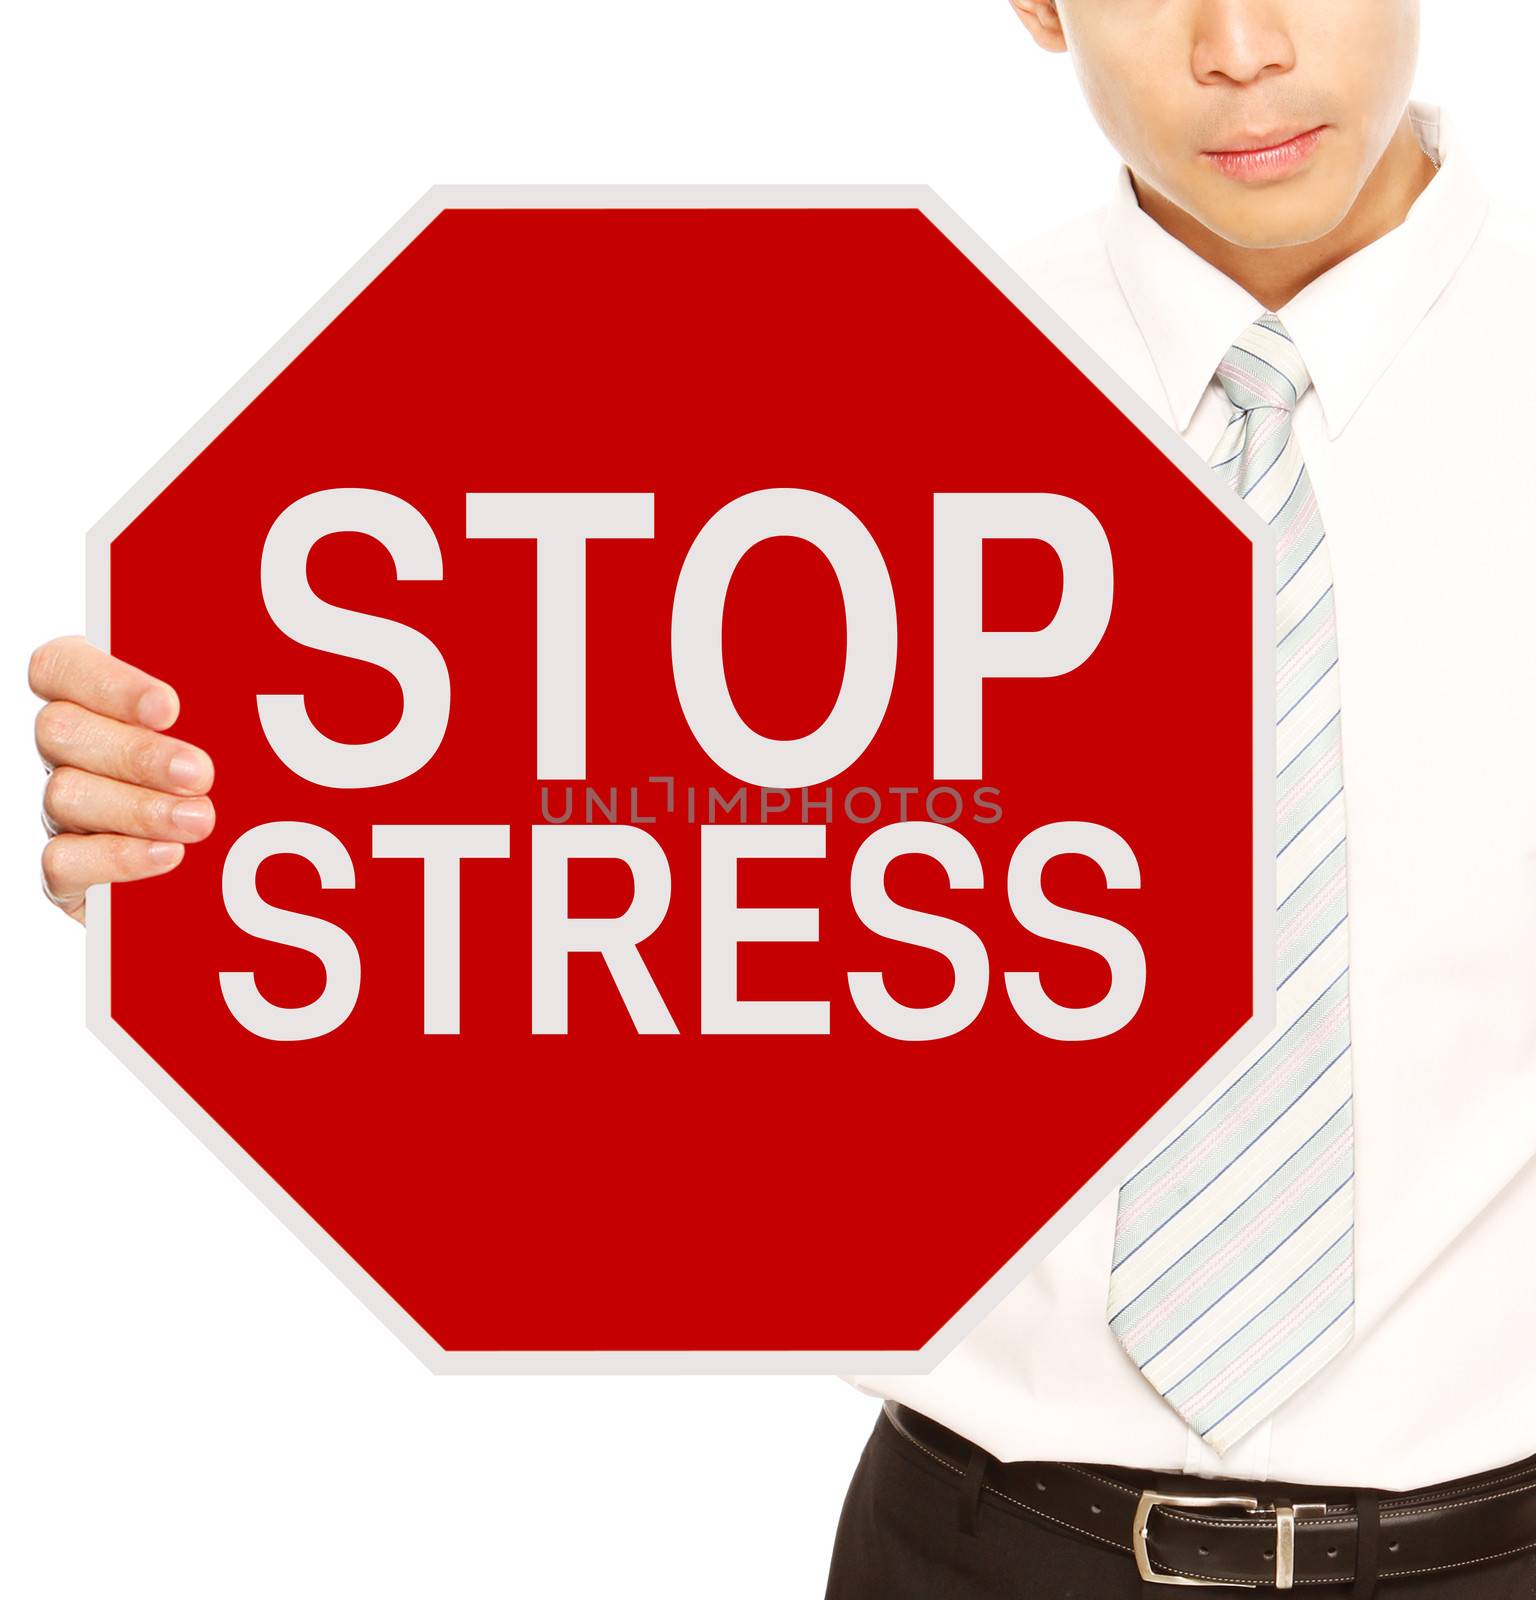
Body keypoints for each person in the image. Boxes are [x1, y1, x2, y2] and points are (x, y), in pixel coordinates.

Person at [26, 0, 1536, 1594]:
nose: (1239, 46)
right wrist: (200, 834)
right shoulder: (838, 403)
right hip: (973, 1547)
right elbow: (566, 878)